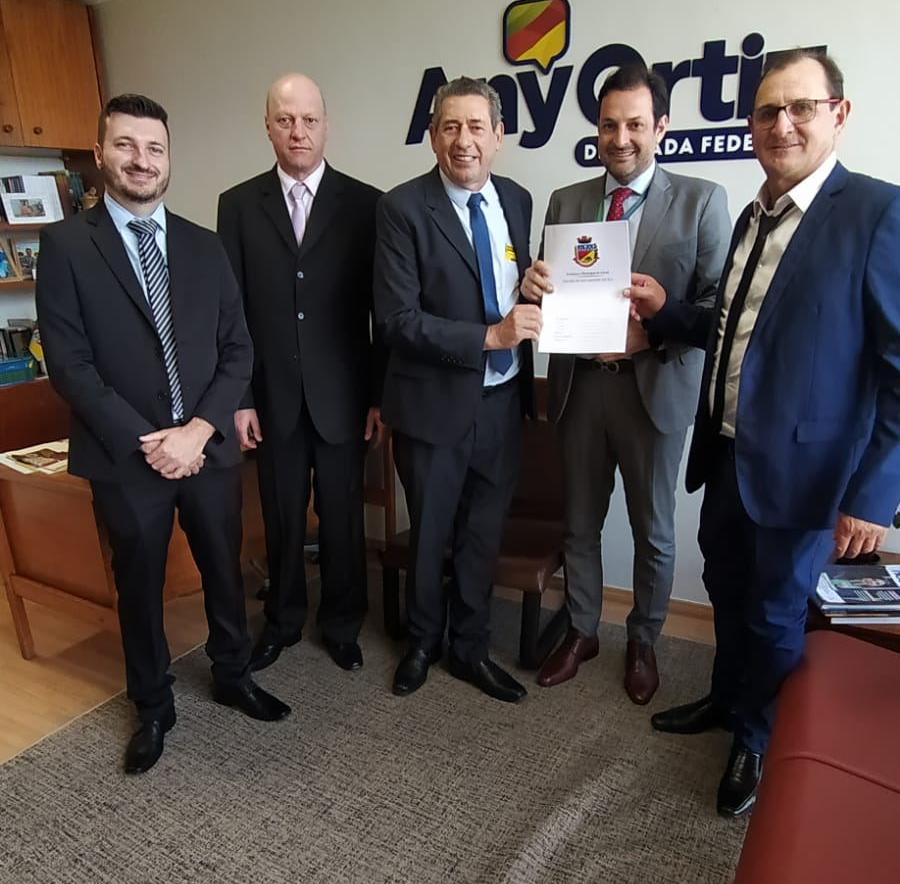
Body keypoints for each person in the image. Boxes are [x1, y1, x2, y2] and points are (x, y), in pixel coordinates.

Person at [630, 49, 900, 816]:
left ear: (838, 115)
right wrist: (667, 313)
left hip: (807, 475)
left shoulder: (876, 213)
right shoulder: (754, 216)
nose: (782, 124)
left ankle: (757, 739)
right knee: (725, 585)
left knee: (778, 613)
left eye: (800, 107)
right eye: (767, 111)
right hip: (726, 456)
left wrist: (873, 497)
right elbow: (736, 330)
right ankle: (725, 699)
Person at [36, 94, 290, 775]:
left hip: (206, 450)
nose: (141, 160)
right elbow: (70, 366)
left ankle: (233, 674)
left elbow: (238, 349)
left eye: (154, 148)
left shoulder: (205, 246)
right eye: (126, 145)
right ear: (100, 154)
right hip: (127, 458)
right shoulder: (65, 246)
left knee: (224, 571)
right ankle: (152, 706)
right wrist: (151, 441)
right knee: (140, 586)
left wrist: (197, 431)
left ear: (169, 158)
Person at [521, 65, 730, 703]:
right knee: (579, 522)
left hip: (654, 388)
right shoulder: (567, 201)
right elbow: (551, 290)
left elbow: (719, 312)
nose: (620, 139)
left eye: (635, 124)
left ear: (660, 127)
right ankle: (582, 629)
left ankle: (643, 639)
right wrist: (532, 287)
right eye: (609, 125)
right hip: (580, 387)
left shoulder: (702, 200)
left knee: (653, 531)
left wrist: (655, 332)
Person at [374, 76, 540, 701]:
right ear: (432, 136)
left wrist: (536, 287)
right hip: (432, 405)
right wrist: (491, 336)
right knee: (430, 533)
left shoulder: (517, 199)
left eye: (475, 127)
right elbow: (396, 320)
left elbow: (510, 283)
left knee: (481, 534)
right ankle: (422, 642)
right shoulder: (402, 209)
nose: (463, 140)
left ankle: (470, 648)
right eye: (450, 127)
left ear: (499, 136)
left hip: (503, 402)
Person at [218, 74, 382, 676]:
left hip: (345, 399)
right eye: (285, 119)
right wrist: (239, 397)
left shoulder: (366, 204)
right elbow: (230, 312)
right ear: (267, 126)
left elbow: (382, 313)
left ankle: (341, 624)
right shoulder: (238, 205)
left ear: (326, 126)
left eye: (309, 119)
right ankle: (283, 620)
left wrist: (378, 397)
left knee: (342, 518)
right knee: (283, 519)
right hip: (272, 399)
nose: (298, 132)